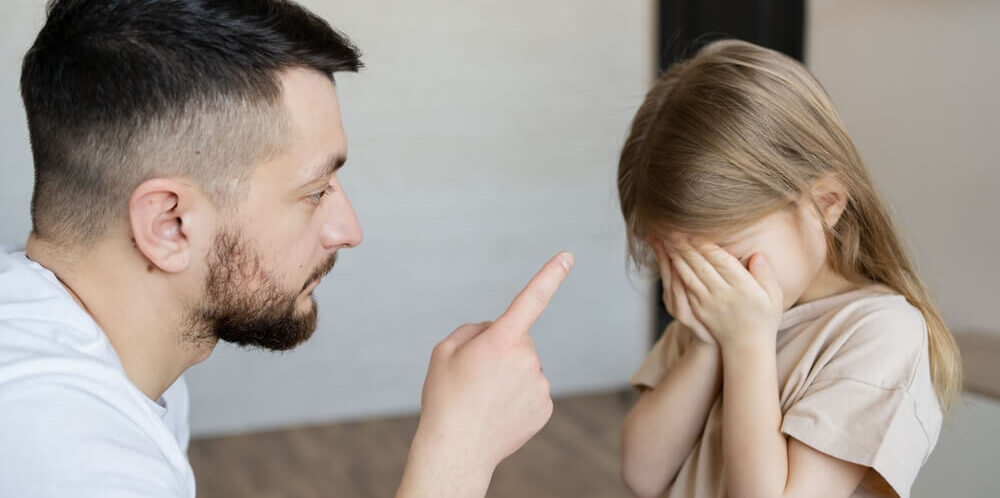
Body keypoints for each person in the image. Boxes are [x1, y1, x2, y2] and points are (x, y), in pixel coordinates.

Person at [0, 1, 573, 497]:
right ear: (170, 223)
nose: (348, 229)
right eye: (315, 191)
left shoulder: (97, 356)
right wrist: (459, 452)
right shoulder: (68, 457)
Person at [616, 40, 962, 498]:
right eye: (681, 262)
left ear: (825, 204)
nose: (708, 282)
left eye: (728, 256)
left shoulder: (879, 335)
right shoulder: (719, 310)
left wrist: (746, 345)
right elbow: (643, 473)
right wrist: (705, 342)